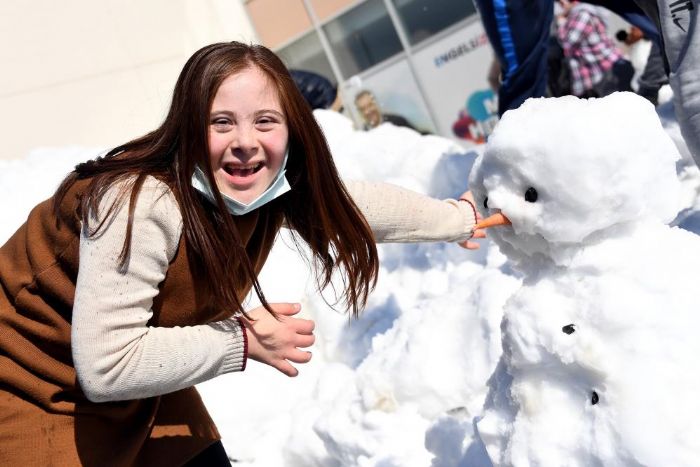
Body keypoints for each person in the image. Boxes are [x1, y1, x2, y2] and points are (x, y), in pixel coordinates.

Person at [0, 41, 484, 466]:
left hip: (139, 392)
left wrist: (461, 219)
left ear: (292, 129)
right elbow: (109, 364)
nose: (246, 143)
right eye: (221, 122)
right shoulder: (142, 203)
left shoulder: (265, 188)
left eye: (265, 122)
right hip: (31, 387)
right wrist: (242, 341)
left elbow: (352, 206)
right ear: (189, 127)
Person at [475, 0, 700, 168]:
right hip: (601, 82)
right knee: (521, 73)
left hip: (607, 79)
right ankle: (519, 172)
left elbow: (566, 41)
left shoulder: (581, 14)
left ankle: (518, 169)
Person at [556, 0, 634, 98]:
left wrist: (561, 22)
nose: (560, 8)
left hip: (609, 71)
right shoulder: (578, 14)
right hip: (604, 72)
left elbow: (568, 42)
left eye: (561, 3)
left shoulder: (582, 14)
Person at [353, 89, 427, 133]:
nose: (368, 111)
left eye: (370, 105)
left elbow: (418, 140)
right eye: (363, 109)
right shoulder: (365, 136)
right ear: (360, 113)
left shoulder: (397, 122)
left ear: (376, 104)